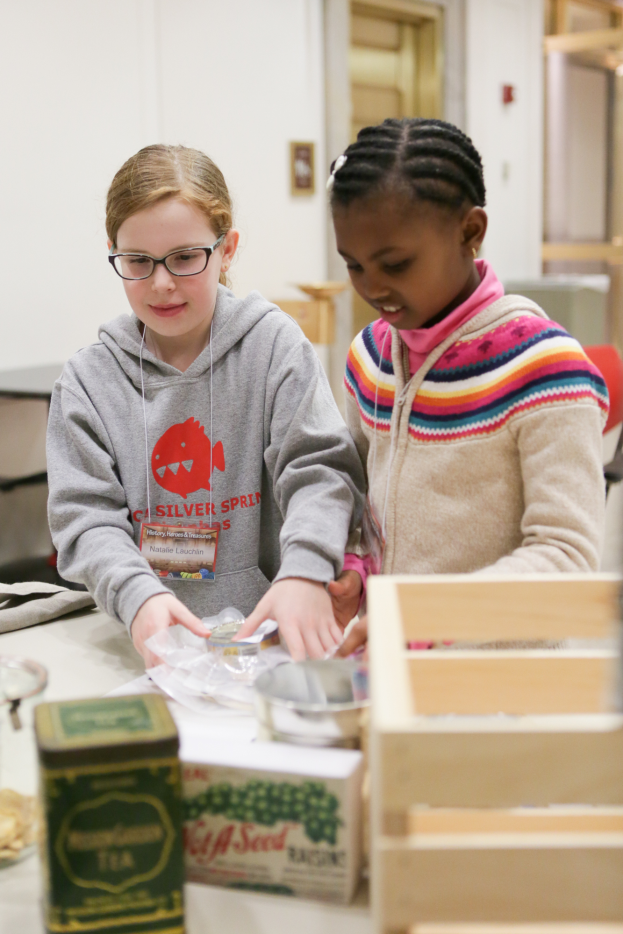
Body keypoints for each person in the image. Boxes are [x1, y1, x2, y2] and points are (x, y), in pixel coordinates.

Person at [47, 144, 365, 666]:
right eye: (137, 261)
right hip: (142, 644)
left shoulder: (273, 347)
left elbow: (319, 470)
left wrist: (306, 570)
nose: (162, 283)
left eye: (185, 257)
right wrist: (137, 596)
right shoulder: (88, 381)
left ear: (227, 250)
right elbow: (85, 518)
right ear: (113, 252)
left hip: (274, 639)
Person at [324, 118, 609, 655]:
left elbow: (565, 557)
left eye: (396, 264)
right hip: (389, 670)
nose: (373, 287)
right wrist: (355, 565)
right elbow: (356, 491)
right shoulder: (369, 355)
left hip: (498, 684)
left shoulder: (545, 369)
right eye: (354, 265)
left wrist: (427, 616)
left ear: (470, 231)